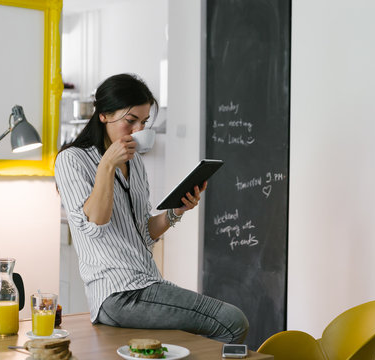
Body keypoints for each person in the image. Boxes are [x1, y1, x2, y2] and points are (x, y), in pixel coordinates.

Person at [54, 73, 249, 343]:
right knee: (232, 321)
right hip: (117, 295)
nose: (137, 130)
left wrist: (177, 211)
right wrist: (107, 166)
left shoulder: (136, 164)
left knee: (206, 334)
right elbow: (94, 225)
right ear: (103, 115)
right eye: (130, 121)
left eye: (144, 122)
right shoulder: (71, 160)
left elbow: (144, 233)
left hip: (147, 283)